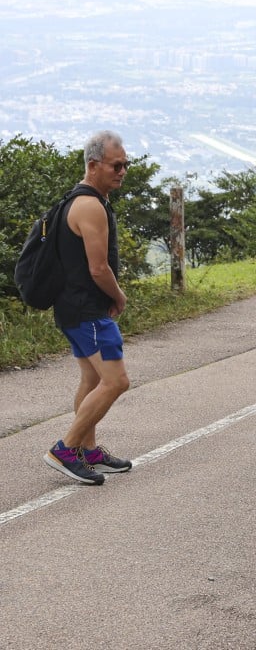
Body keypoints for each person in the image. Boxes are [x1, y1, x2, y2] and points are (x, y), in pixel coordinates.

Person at [43, 130, 133, 485]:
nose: (122, 170)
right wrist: (119, 296)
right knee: (117, 381)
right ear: (93, 165)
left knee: (92, 379)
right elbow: (98, 268)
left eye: (126, 164)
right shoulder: (90, 205)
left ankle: (88, 450)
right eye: (116, 164)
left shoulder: (80, 200)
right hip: (88, 311)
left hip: (73, 309)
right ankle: (65, 449)